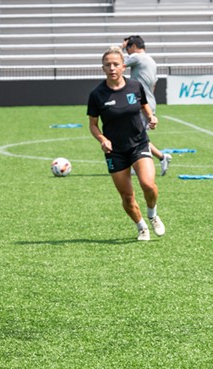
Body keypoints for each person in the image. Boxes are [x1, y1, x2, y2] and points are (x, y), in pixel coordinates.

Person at [87, 46, 166, 241]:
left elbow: (144, 105)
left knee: (148, 185)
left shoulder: (134, 86)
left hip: (139, 144)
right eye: (108, 65)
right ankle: (142, 227)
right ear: (103, 68)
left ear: (124, 66)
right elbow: (93, 125)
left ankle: (152, 214)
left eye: (115, 64)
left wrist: (151, 117)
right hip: (115, 152)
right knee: (127, 197)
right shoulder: (97, 95)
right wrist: (102, 139)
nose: (112, 68)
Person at [122, 35, 172, 176]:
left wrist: (119, 48)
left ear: (133, 47)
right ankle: (162, 158)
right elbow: (154, 84)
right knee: (137, 135)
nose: (127, 52)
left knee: (136, 136)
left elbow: (118, 64)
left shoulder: (137, 57)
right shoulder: (151, 60)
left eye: (127, 48)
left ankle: (147, 163)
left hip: (140, 102)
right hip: (149, 101)